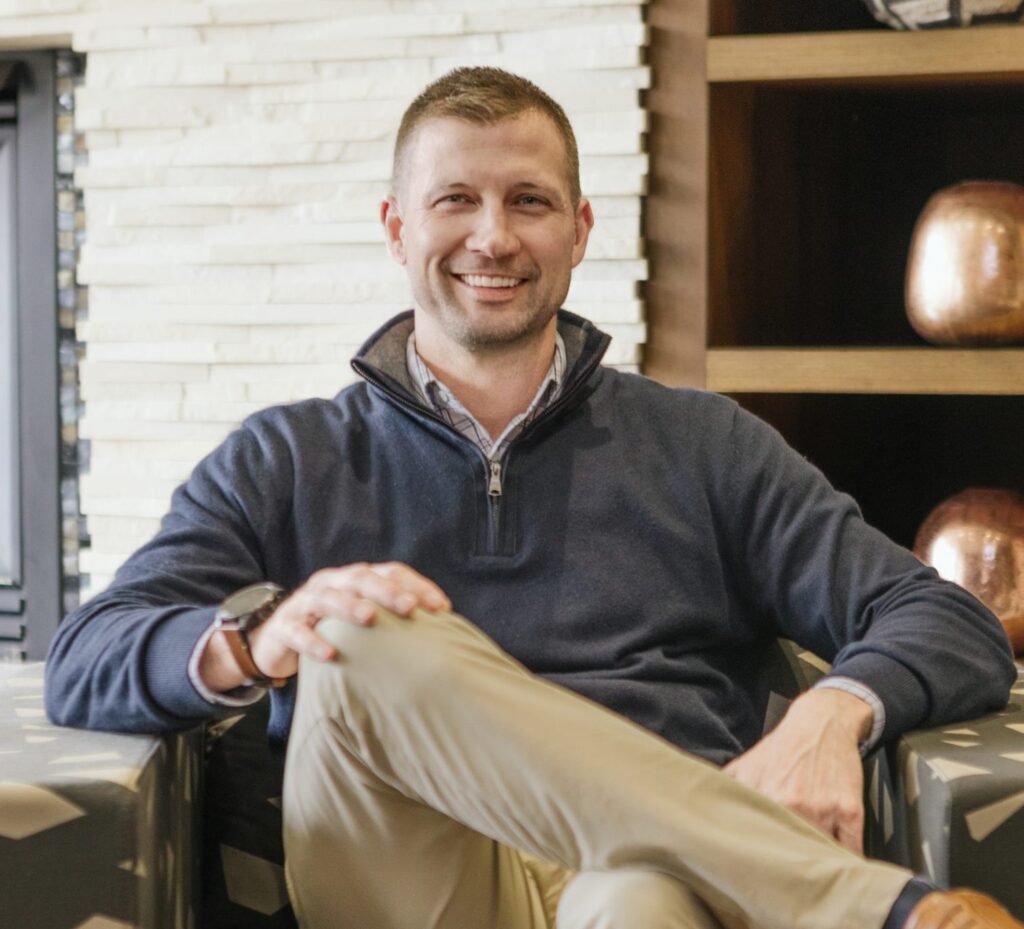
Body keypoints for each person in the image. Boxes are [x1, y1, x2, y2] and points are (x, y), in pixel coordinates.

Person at [46, 67, 1021, 929]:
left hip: (646, 878)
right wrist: (257, 643)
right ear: (396, 227)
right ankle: (888, 915)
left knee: (637, 905)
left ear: (579, 229)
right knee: (361, 628)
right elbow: (85, 655)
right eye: (455, 199)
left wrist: (831, 712)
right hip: (407, 876)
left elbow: (944, 617)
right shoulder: (286, 456)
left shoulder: (702, 444)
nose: (492, 235)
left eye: (529, 200)